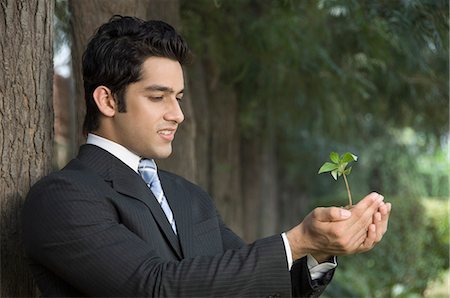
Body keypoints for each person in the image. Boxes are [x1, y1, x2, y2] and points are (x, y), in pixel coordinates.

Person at [22, 16, 391, 297]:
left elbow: (246, 283)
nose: (177, 114)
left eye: (178, 98)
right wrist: (296, 242)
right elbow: (153, 288)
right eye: (158, 97)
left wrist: (319, 251)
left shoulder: (188, 196)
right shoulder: (63, 196)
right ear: (106, 100)